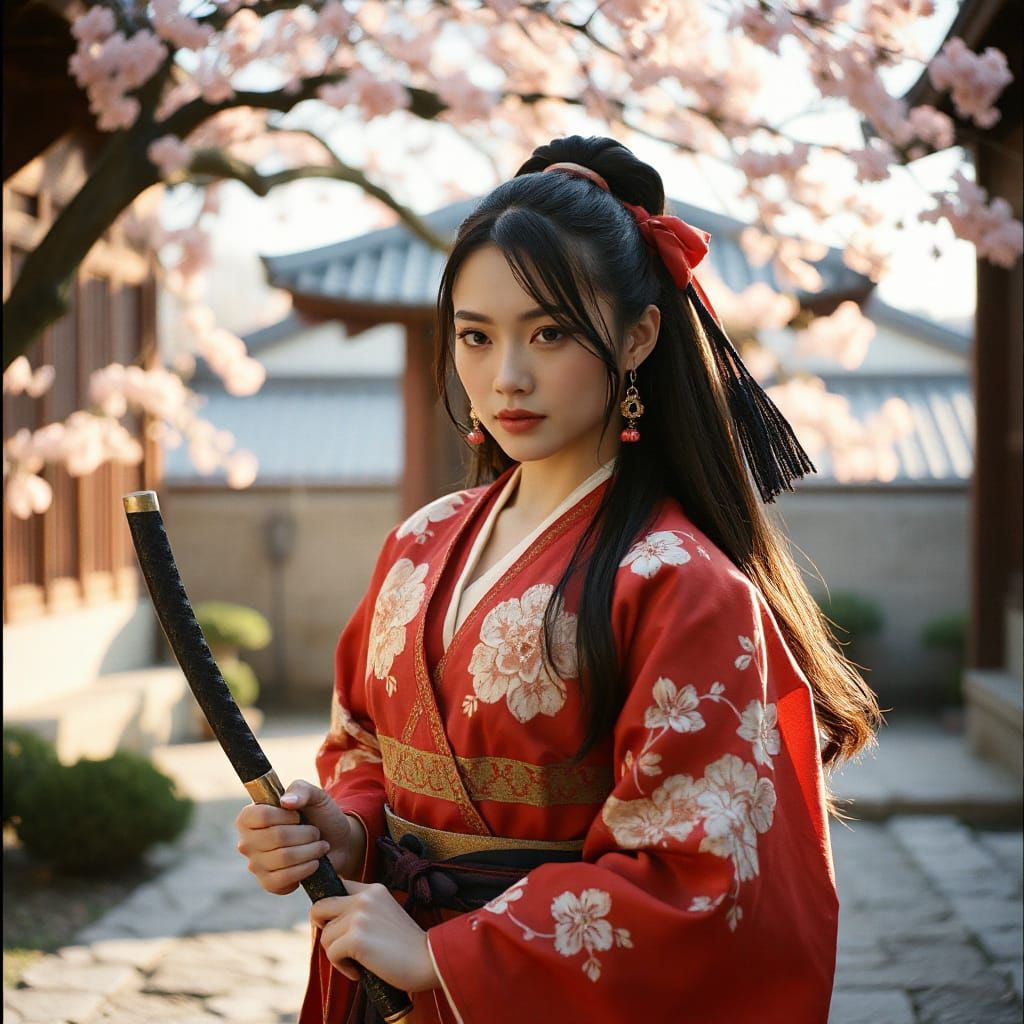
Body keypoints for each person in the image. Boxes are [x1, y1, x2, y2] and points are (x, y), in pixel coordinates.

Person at [235, 135, 880, 1024]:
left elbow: (692, 878)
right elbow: (367, 747)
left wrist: (445, 957)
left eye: (550, 332)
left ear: (639, 334)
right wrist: (342, 830)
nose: (506, 377)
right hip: (383, 977)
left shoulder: (682, 583)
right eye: (475, 335)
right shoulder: (421, 543)